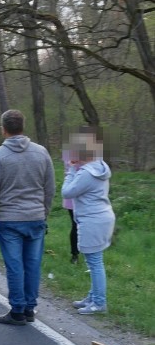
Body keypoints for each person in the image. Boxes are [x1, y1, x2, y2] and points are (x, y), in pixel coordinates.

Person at [0, 110, 55, 325]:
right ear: (23, 126)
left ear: (3, 129)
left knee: (14, 266)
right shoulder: (41, 152)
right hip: (35, 217)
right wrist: (44, 211)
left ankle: (17, 310)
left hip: (10, 218)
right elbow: (50, 187)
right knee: (32, 264)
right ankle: (30, 308)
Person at [62, 128, 115, 315]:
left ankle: (99, 303)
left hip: (93, 219)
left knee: (94, 262)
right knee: (94, 260)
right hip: (101, 216)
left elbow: (67, 192)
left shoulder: (86, 173)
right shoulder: (99, 165)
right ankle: (93, 296)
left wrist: (70, 170)